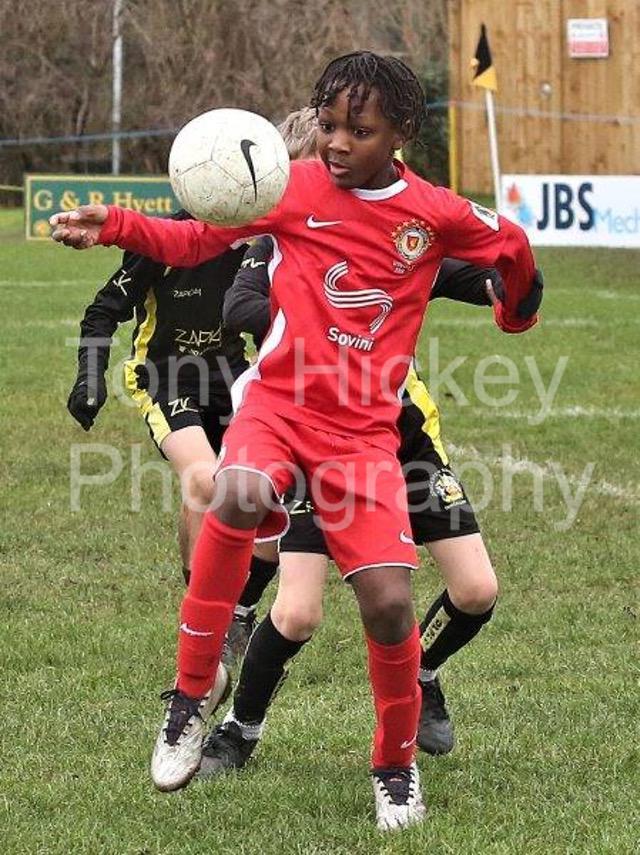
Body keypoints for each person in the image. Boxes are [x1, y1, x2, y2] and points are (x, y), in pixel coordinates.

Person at [50, 51, 540, 831]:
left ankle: (395, 765)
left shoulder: (434, 213)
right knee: (236, 491)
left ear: (401, 134)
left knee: (388, 604)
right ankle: (193, 692)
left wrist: (518, 309)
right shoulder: (295, 188)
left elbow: (509, 244)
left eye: (358, 131)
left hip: (364, 436)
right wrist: (111, 224)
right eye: (330, 125)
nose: (337, 143)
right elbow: (193, 241)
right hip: (277, 405)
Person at [200, 236, 541, 776]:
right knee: (297, 613)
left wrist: (514, 283)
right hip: (316, 441)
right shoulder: (284, 238)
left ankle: (421, 672)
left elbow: (480, 279)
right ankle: (240, 728)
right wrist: (327, 320)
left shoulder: (398, 240)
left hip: (404, 441)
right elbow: (239, 307)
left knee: (476, 591)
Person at [67, 210, 280, 673]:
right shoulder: (162, 240)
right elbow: (103, 311)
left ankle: (240, 609)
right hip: (164, 377)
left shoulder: (254, 239)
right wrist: (89, 376)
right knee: (204, 481)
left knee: (267, 489)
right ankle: (206, 620)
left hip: (231, 375)